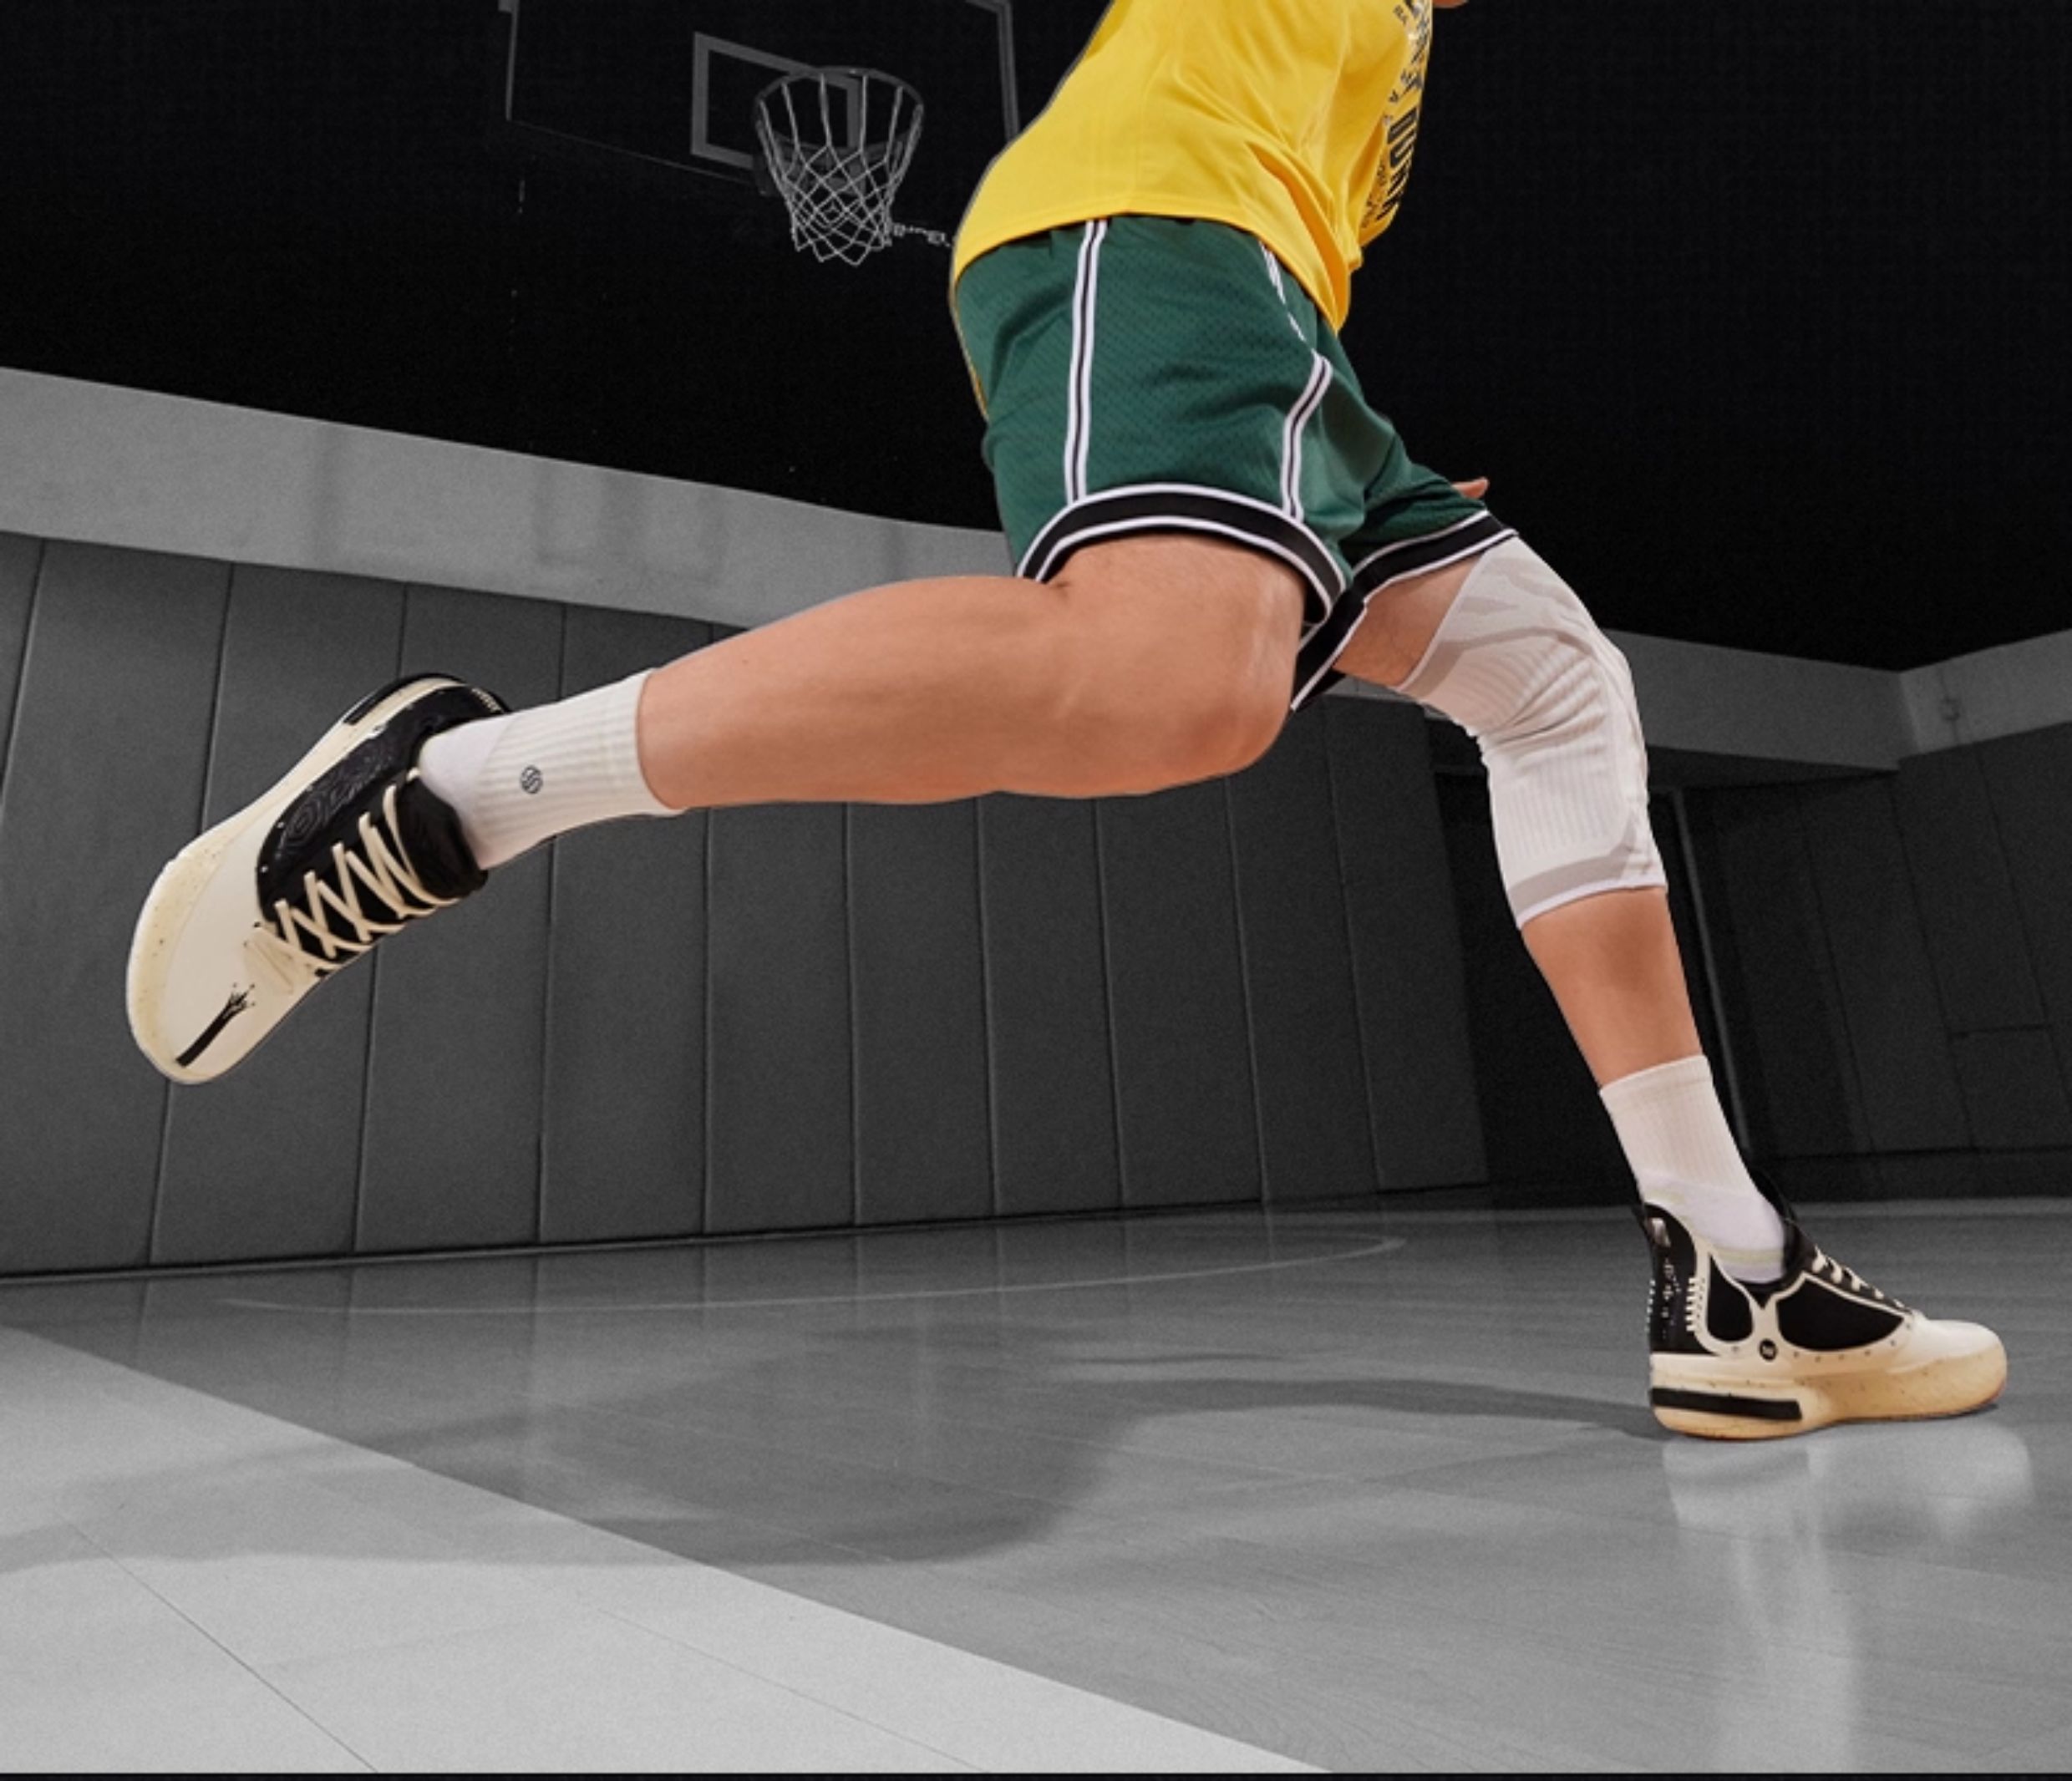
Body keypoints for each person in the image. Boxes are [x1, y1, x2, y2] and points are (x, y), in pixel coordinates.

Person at [126, 0, 2004, 1438]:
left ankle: (1733, 1275)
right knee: (1172, 687)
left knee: (1549, 675)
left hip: (1279, 322)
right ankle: (450, 790)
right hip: (1152, 227)